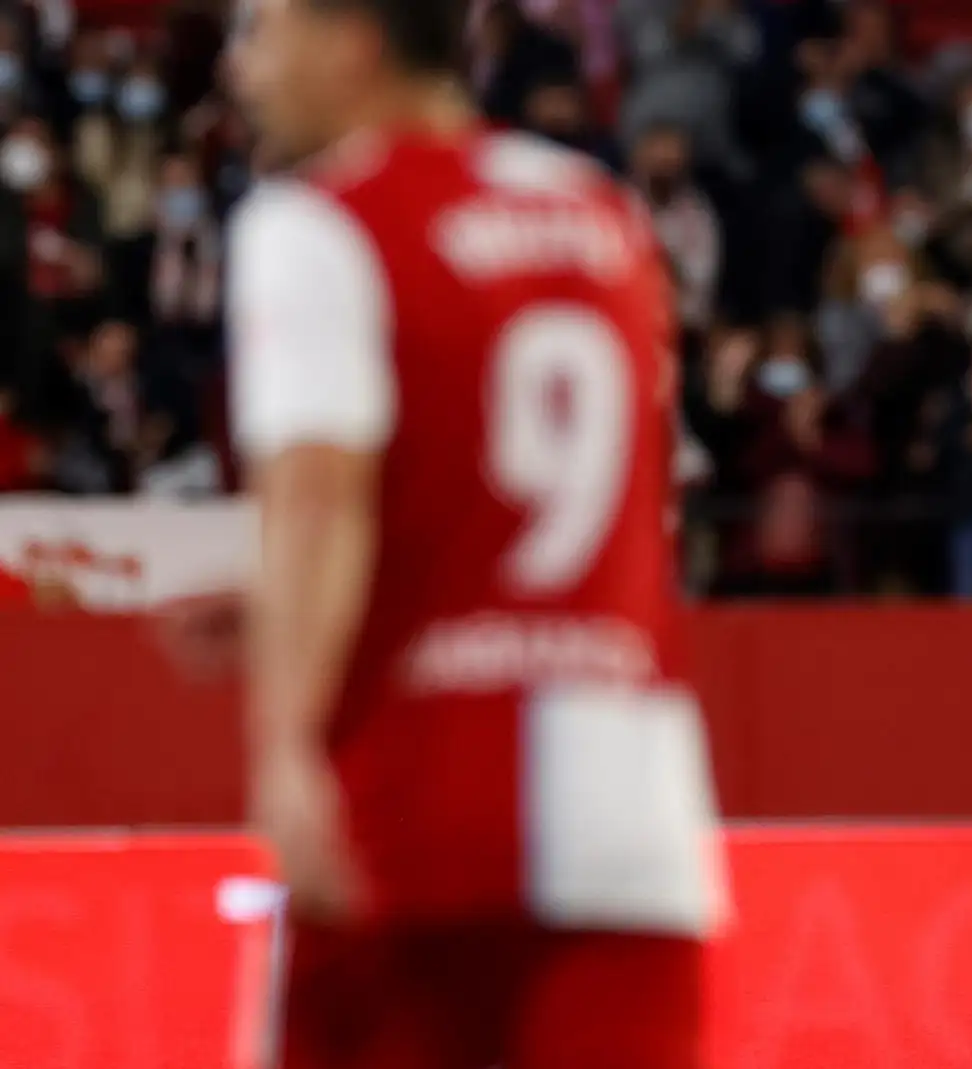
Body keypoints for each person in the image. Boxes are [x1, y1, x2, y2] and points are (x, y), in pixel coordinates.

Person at [219, 1, 722, 1066]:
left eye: (261, 30)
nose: (241, 67)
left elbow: (319, 494)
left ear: (354, 40)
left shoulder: (321, 219)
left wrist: (280, 746)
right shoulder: (603, 213)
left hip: (418, 808)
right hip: (633, 815)